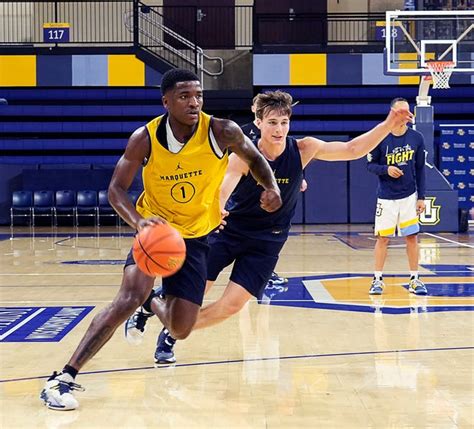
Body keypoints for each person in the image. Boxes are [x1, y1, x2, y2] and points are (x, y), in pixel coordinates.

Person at [40, 68, 282, 411]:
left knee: (181, 328)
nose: (194, 102)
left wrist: (269, 186)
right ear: (166, 101)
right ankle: (62, 378)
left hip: (197, 237)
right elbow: (115, 190)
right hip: (157, 235)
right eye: (184, 96)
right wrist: (140, 223)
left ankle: (151, 302)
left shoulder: (221, 131)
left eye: (198, 95)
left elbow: (255, 158)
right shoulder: (145, 138)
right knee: (126, 298)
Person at [125, 90, 414, 365]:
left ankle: (171, 334)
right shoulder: (243, 156)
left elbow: (352, 149)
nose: (279, 129)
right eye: (273, 122)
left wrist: (389, 124)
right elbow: (223, 188)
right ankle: (149, 305)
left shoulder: (303, 149)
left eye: (284, 122)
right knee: (196, 291)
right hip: (229, 232)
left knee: (232, 306)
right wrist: (218, 207)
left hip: (267, 242)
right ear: (259, 123)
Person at [240, 96, 308, 287]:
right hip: (246, 193)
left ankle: (266, 272)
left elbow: (289, 158)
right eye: (254, 104)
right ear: (254, 109)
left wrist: (299, 177)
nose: (279, 127)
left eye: (283, 122)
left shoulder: (282, 136)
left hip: (274, 194)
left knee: (269, 233)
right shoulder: (243, 133)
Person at [367, 97, 427, 296]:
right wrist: (386, 169)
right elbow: (370, 165)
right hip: (386, 197)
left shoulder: (417, 138)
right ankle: (377, 279)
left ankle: (414, 279)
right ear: (393, 113)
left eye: (408, 111)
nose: (406, 115)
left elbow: (420, 169)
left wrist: (421, 197)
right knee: (383, 238)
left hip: (409, 196)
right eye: (401, 111)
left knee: (412, 236)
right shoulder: (380, 136)